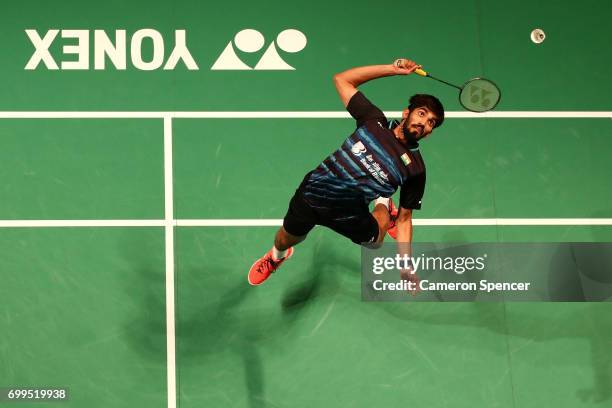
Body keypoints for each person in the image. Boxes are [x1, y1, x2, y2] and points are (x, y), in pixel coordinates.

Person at [248, 58, 445, 288]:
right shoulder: (373, 121)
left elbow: (405, 219)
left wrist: (405, 265)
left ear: (430, 132)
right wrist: (392, 70)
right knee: (285, 238)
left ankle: (382, 203)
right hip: (313, 195)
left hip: (350, 214)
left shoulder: (415, 169)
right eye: (421, 114)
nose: (424, 123)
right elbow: (342, 79)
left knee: (375, 242)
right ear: (406, 112)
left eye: (431, 122)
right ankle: (275, 258)